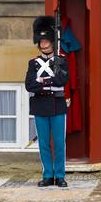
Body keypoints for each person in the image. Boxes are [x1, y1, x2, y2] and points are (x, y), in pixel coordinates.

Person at [25, 16, 69, 188]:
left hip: (57, 105)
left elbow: (62, 81)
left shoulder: (61, 60)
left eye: (47, 41)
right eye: (41, 41)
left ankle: (60, 175)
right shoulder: (33, 63)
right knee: (43, 143)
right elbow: (29, 85)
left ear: (52, 42)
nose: (44, 44)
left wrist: (41, 82)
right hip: (40, 105)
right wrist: (47, 82)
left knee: (59, 144)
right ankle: (47, 175)